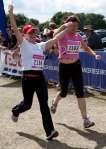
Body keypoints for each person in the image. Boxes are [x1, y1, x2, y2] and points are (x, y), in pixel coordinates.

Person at [8, 4, 62, 140]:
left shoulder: (39, 45)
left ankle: (50, 131)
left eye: (35, 32)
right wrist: (10, 13)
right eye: (30, 32)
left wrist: (66, 29)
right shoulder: (23, 44)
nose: (33, 34)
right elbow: (14, 29)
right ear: (25, 35)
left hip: (40, 78)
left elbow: (54, 39)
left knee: (44, 104)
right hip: (28, 78)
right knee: (27, 104)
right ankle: (16, 110)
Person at [50, 15, 101, 128]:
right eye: (72, 25)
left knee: (80, 93)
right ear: (67, 25)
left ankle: (85, 119)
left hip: (76, 66)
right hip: (64, 67)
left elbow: (86, 48)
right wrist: (64, 26)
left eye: (76, 26)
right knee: (63, 92)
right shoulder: (63, 35)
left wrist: (94, 55)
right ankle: (54, 102)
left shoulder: (78, 36)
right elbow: (54, 35)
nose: (74, 28)